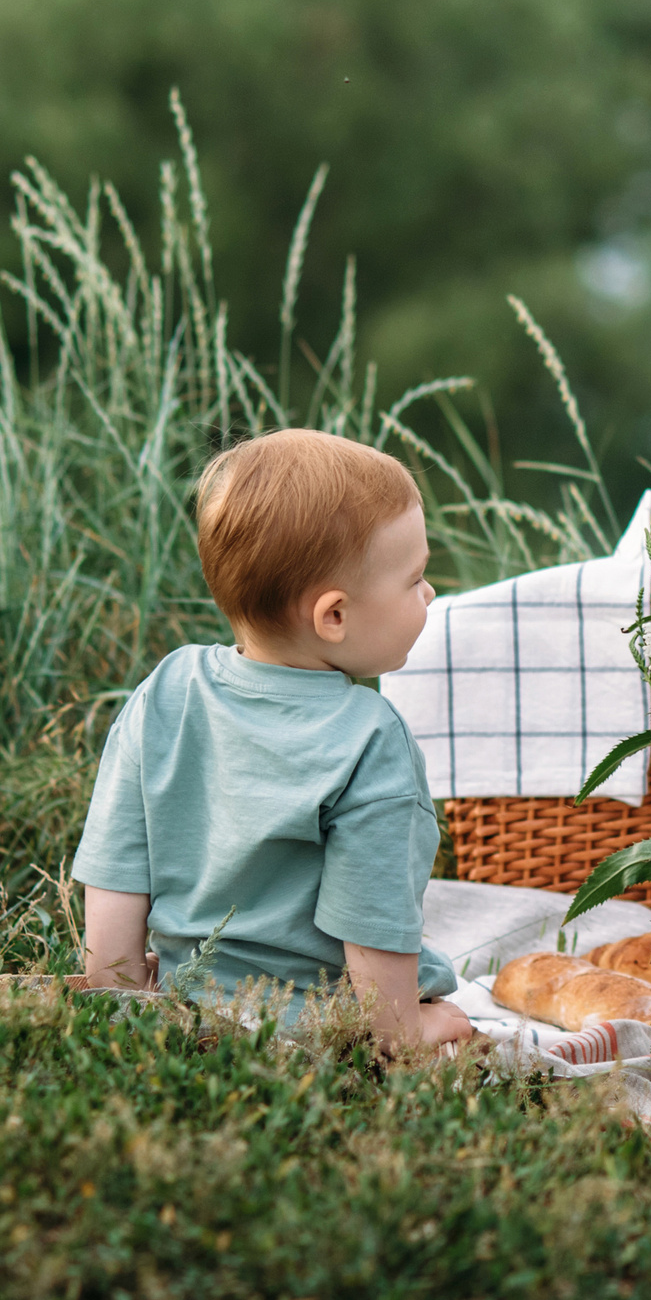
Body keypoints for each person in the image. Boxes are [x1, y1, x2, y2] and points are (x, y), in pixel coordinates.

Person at [71, 429, 475, 1055]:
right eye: (415, 578)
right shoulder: (370, 737)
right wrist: (405, 1031)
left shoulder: (168, 690)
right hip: (320, 1034)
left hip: (186, 1011)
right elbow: (372, 924)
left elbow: (117, 867)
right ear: (333, 616)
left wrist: (118, 996)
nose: (428, 593)